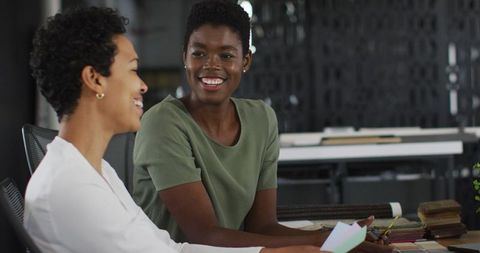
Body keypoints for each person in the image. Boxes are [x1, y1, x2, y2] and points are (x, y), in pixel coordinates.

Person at [24, 6, 324, 253]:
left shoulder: (96, 172)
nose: (142, 85)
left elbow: (168, 248)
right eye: (131, 70)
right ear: (95, 79)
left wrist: (276, 251)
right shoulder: (72, 189)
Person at [133, 0, 393, 252]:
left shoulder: (261, 119)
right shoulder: (162, 123)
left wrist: (339, 239)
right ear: (184, 57)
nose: (211, 65)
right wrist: (323, 240)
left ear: (245, 61)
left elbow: (263, 226)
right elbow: (205, 236)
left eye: (226, 55)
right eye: (199, 53)